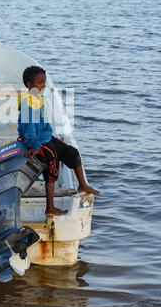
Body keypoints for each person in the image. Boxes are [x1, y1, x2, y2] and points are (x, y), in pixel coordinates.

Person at [18, 65, 100, 216]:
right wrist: (34, 146)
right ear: (29, 85)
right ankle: (50, 208)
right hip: (39, 143)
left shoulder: (36, 98)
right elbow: (29, 128)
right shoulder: (29, 103)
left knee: (72, 152)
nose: (43, 86)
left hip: (47, 138)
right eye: (40, 83)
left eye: (44, 82)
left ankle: (83, 185)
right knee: (52, 171)